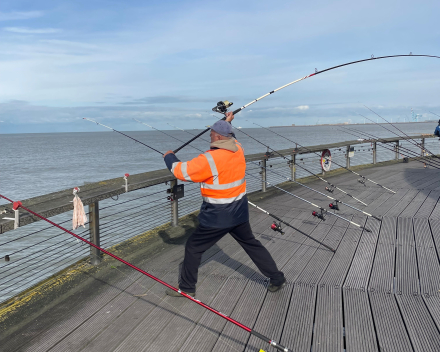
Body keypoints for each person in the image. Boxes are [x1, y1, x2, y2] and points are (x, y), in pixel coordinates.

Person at [163, 112, 286, 297]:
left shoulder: (209, 158)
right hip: (239, 211)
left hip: (217, 216)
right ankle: (277, 278)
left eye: (212, 133)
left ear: (219, 137)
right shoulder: (238, 148)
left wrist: (169, 157)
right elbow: (233, 137)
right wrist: (226, 122)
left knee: (193, 247)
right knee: (251, 244)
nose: (210, 135)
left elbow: (181, 172)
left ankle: (187, 288)